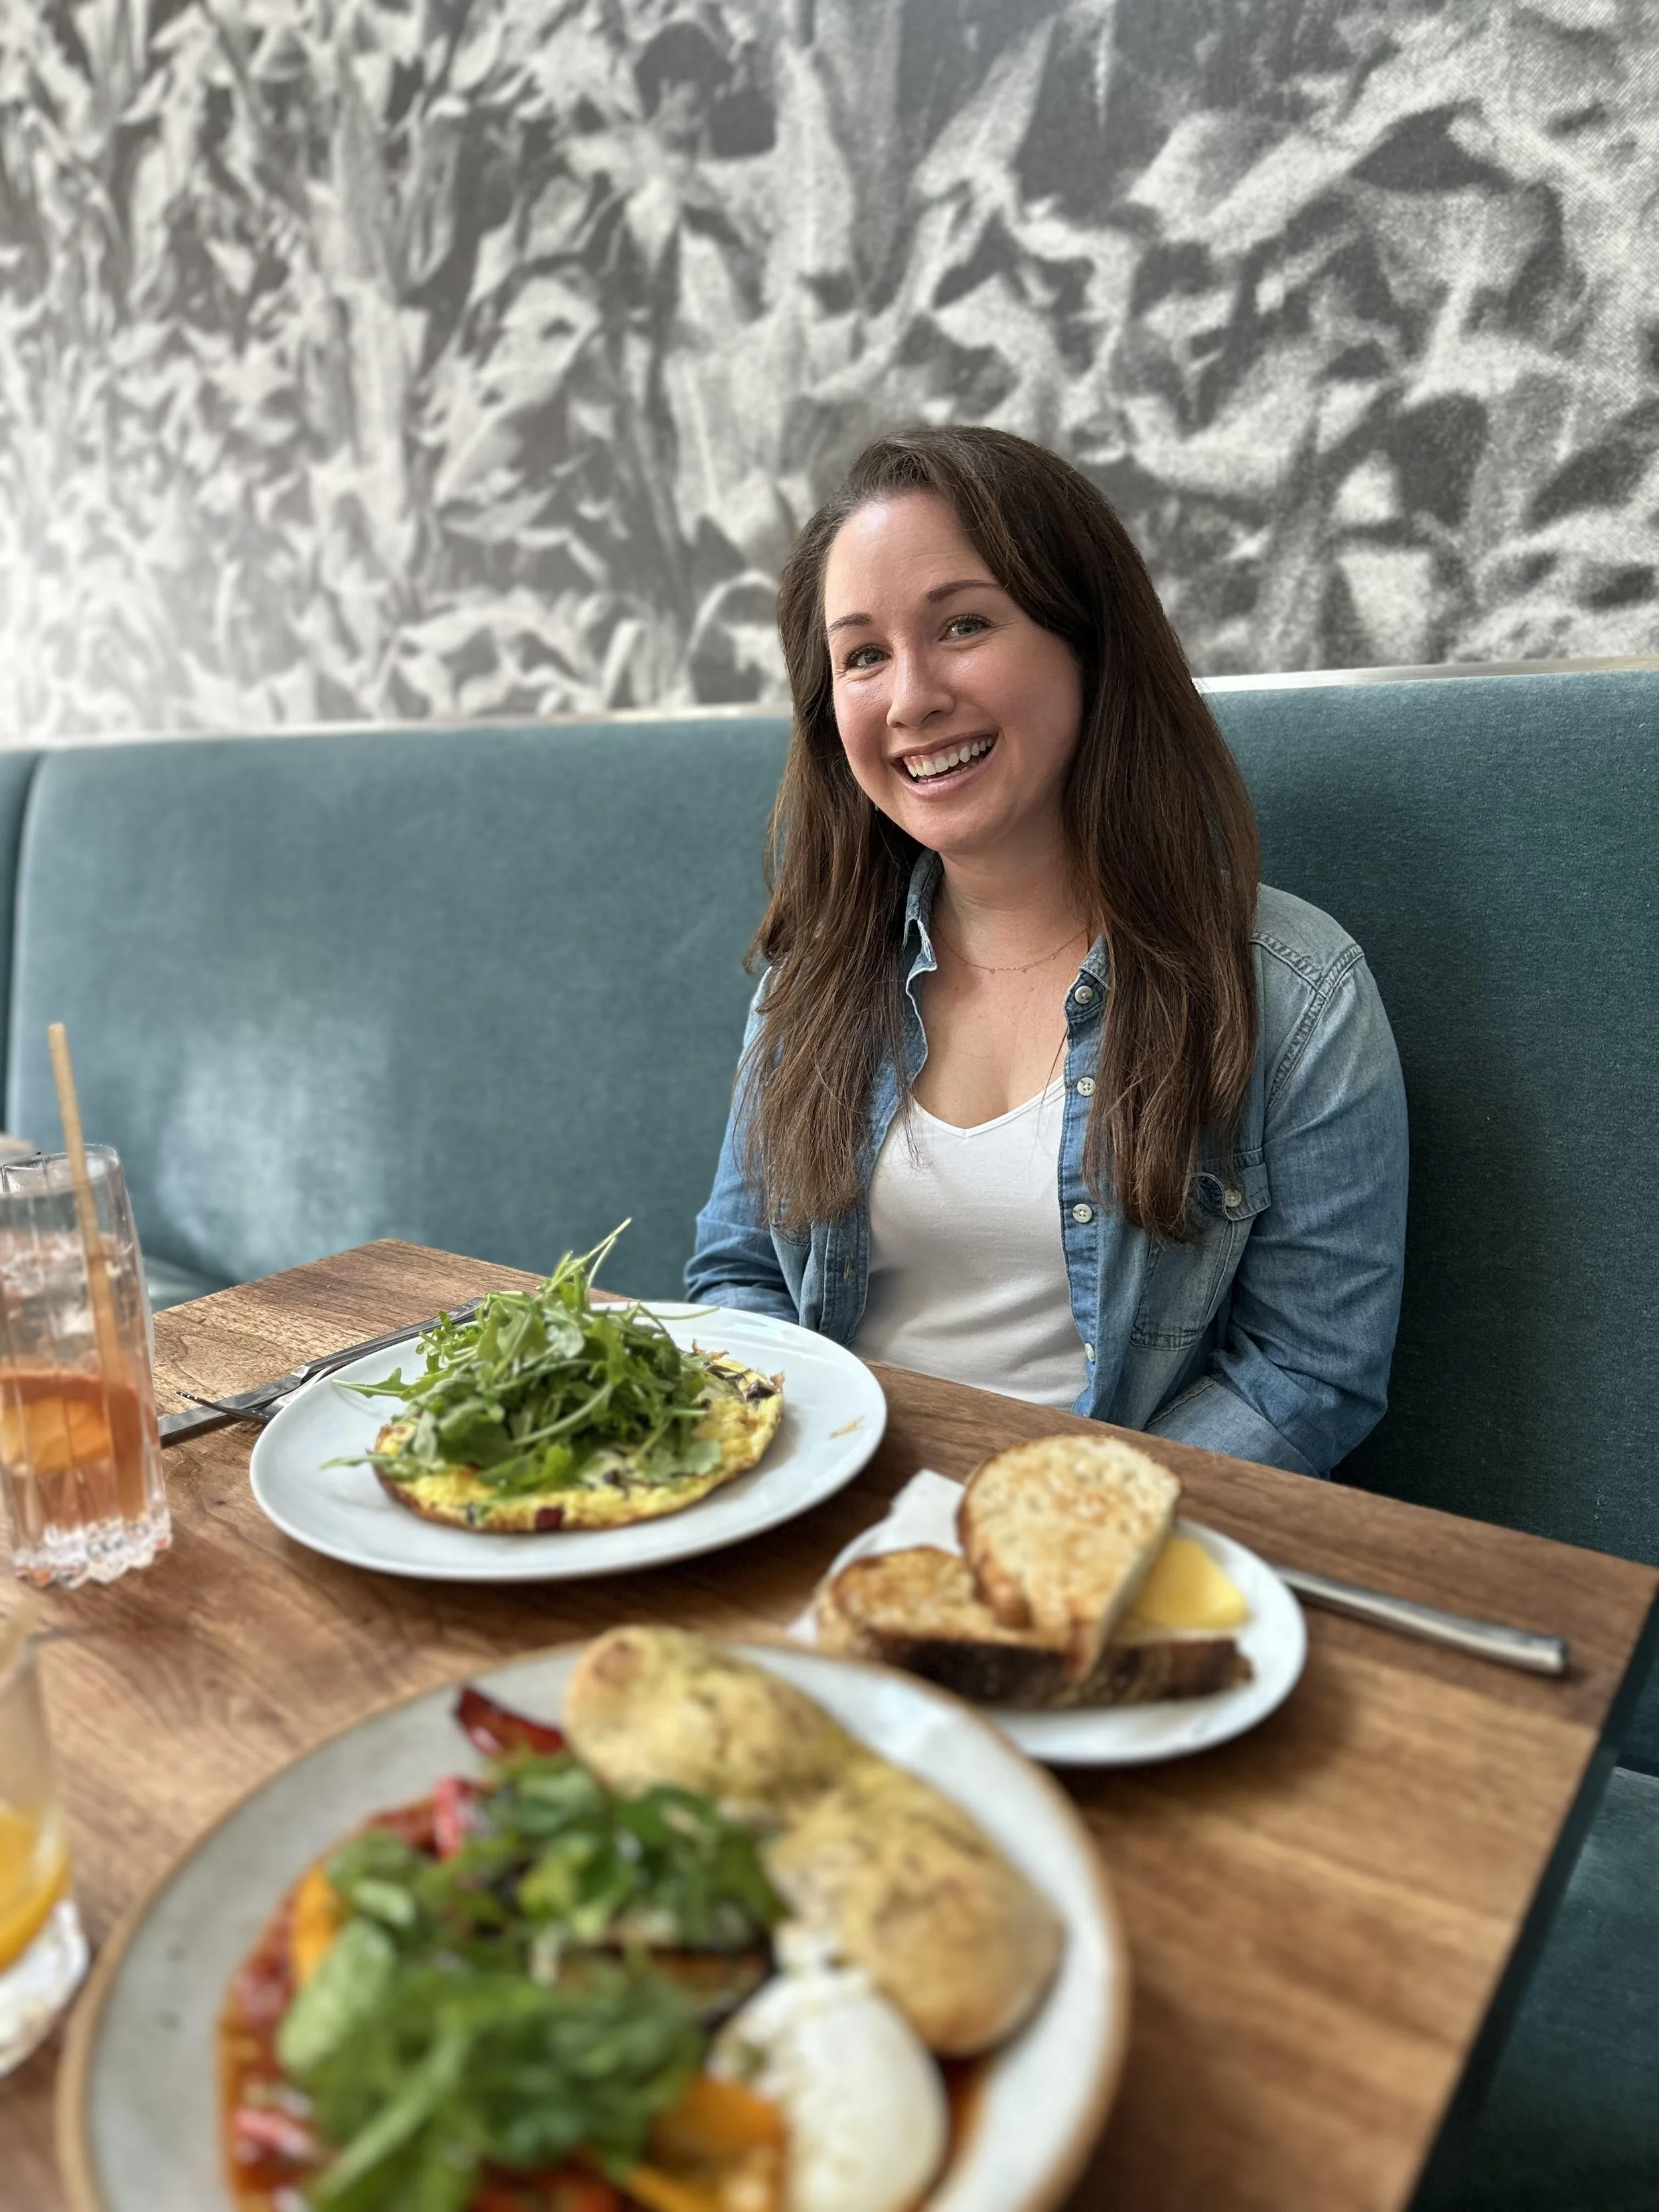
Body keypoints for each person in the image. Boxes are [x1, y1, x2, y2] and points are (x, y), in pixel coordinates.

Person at [686, 425, 1407, 1479]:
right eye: (863, 656)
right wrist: (807, 1479)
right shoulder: (814, 977)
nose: (910, 697)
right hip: (819, 1505)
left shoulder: (1296, 993)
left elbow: (1309, 1373)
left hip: (1103, 1548)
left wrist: (1041, 1520)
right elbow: (737, 1276)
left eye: (963, 624)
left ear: (1089, 643)